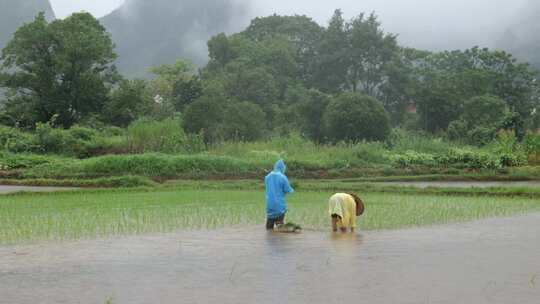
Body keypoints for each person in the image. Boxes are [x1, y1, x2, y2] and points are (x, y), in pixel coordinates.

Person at [265, 159, 294, 230]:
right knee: (280, 228)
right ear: (282, 167)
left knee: (269, 229)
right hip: (279, 207)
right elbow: (288, 190)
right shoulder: (283, 177)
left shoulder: (267, 177)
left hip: (270, 206)